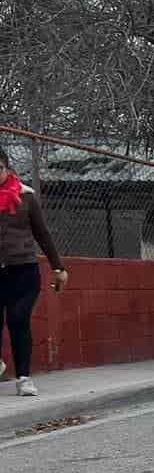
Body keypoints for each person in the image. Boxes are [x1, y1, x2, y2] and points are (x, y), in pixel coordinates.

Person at [0, 147, 66, 396]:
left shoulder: (26, 197)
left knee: (18, 319)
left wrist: (58, 266)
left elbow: (43, 234)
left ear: (6, 167)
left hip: (24, 271)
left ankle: (24, 378)